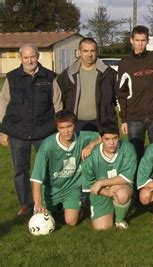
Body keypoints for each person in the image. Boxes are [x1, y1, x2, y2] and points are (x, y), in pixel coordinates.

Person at [0, 44, 63, 216]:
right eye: (26, 57)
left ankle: (52, 200)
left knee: (50, 168)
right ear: (21, 58)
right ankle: (26, 204)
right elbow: (3, 103)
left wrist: (60, 129)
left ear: (38, 57)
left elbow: (57, 104)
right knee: (21, 171)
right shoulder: (12, 78)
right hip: (17, 132)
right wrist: (2, 130)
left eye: (33, 57)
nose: (30, 61)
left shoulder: (49, 77)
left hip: (45, 131)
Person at [30, 110, 100, 225]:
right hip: (50, 190)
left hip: (71, 188)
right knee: (42, 220)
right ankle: (57, 208)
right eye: (62, 127)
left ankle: (79, 205)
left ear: (75, 125)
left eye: (69, 126)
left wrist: (91, 145)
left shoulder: (82, 137)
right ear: (57, 128)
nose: (66, 131)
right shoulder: (48, 145)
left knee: (71, 221)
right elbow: (36, 178)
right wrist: (37, 203)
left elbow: (103, 136)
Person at [116, 25, 153, 160]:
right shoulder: (125, 63)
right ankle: (137, 180)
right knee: (136, 154)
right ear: (131, 41)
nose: (140, 44)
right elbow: (121, 93)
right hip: (134, 118)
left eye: (143, 40)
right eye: (137, 40)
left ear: (147, 41)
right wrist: (123, 119)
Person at [81, 122, 136, 230]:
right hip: (101, 192)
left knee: (122, 194)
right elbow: (89, 186)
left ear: (119, 137)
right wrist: (107, 192)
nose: (111, 143)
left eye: (114, 138)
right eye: (107, 139)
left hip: (121, 186)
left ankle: (120, 220)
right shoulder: (91, 157)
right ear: (101, 139)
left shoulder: (128, 149)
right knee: (102, 227)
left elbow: (127, 177)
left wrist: (101, 182)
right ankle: (115, 207)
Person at [58, 37, 118, 133]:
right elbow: (62, 99)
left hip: (103, 122)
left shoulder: (109, 74)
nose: (89, 54)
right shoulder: (67, 75)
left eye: (92, 51)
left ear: (96, 52)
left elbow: (116, 98)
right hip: (76, 124)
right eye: (85, 51)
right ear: (79, 52)